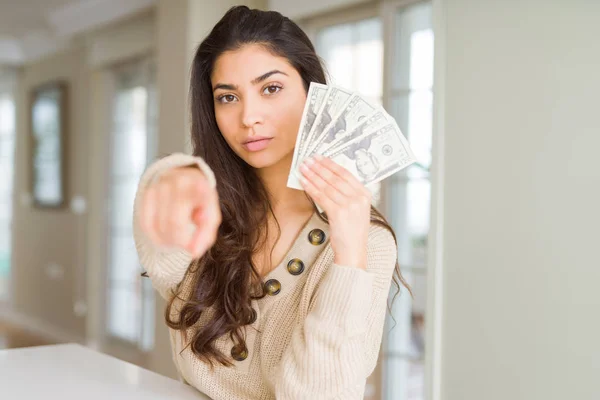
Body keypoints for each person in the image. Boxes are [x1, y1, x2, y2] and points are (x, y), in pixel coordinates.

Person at [133, 6, 412, 400]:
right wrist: (170, 177)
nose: (249, 117)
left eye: (271, 88)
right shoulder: (207, 210)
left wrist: (350, 254)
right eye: (228, 97)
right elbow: (162, 260)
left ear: (312, 92)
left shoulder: (368, 243)